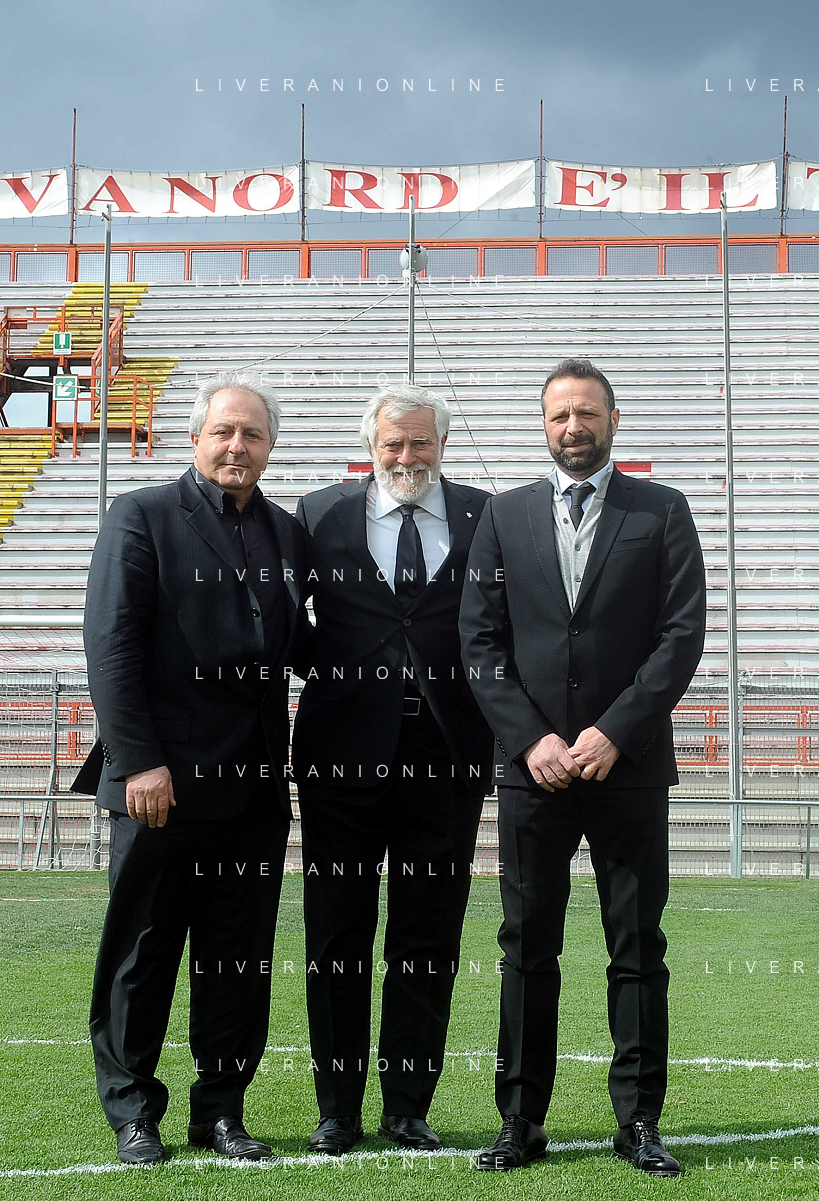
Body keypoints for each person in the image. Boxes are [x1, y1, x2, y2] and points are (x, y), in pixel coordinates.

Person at [460, 358, 706, 1177]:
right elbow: (479, 641)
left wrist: (614, 731)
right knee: (525, 946)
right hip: (531, 772)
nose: (574, 426)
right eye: (560, 414)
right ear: (543, 424)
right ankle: (519, 1119)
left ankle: (638, 1121)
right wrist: (529, 738)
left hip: (625, 770)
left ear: (612, 419)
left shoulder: (661, 510)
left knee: (636, 946)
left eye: (587, 412)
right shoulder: (503, 516)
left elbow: (680, 635)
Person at [73, 372, 309, 1166]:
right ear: (196, 437)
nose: (237, 445)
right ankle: (133, 1111)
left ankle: (221, 1110)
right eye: (224, 431)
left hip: (253, 788)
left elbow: (299, 644)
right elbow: (110, 643)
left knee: (236, 957)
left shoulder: (287, 532)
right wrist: (139, 761)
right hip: (160, 787)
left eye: (252, 434)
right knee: (142, 953)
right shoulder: (140, 514)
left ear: (270, 447)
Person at [292, 383, 494, 1154]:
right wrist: (340, 672)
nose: (406, 456)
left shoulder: (485, 515)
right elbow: (287, 623)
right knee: (335, 934)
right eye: (392, 444)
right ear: (370, 447)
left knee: (427, 937)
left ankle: (408, 1105)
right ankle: (336, 1110)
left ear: (441, 444)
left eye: (419, 443)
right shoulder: (318, 515)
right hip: (340, 756)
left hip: (446, 756)